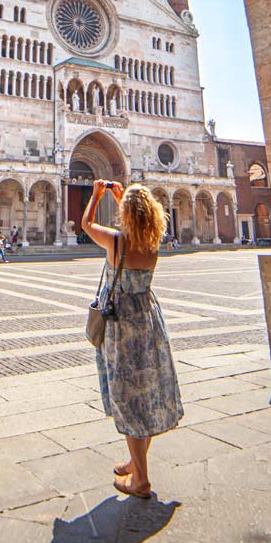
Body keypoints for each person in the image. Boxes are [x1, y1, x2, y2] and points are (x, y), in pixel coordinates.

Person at [82, 180, 183, 498]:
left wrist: (97, 196)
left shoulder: (117, 242)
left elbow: (86, 224)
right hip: (148, 324)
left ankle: (141, 480)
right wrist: (124, 196)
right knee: (147, 393)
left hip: (122, 328)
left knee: (128, 400)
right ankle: (135, 462)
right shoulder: (152, 245)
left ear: (125, 214)